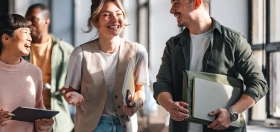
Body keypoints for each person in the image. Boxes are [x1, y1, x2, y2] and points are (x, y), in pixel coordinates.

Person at [153, 0, 269, 132]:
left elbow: (258, 83)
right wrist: (169, 105)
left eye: (177, 3)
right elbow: (162, 83)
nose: (172, 10)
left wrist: (231, 112)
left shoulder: (233, 41)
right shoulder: (173, 45)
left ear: (196, 3)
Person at [61, 0, 149, 131]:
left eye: (119, 14)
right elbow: (69, 91)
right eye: (107, 15)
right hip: (92, 126)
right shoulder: (80, 54)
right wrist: (73, 96)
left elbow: (139, 89)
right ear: (96, 21)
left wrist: (137, 103)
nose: (115, 19)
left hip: (125, 125)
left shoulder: (138, 51)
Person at [24, 3, 74, 132]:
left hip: (58, 122)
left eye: (33, 19)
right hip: (26, 120)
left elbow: (82, 82)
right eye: (26, 19)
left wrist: (72, 89)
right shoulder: (20, 50)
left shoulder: (66, 51)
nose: (28, 23)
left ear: (47, 21)